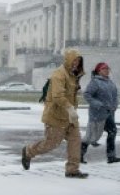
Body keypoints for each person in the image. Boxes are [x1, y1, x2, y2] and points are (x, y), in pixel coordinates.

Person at [21, 48, 88, 179]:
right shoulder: (59, 74)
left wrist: (72, 109)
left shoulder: (73, 75)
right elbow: (57, 96)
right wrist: (69, 108)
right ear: (68, 59)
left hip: (70, 117)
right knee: (50, 144)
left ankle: (72, 170)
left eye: (78, 60)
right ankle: (28, 151)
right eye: (74, 60)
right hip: (56, 116)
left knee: (75, 141)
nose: (76, 63)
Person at [81, 62, 120, 164]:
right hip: (97, 114)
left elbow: (115, 95)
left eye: (108, 69)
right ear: (99, 71)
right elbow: (87, 95)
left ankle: (111, 156)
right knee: (91, 136)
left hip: (108, 113)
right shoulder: (95, 82)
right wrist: (97, 104)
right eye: (104, 69)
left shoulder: (110, 82)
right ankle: (79, 155)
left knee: (112, 131)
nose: (107, 70)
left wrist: (115, 104)